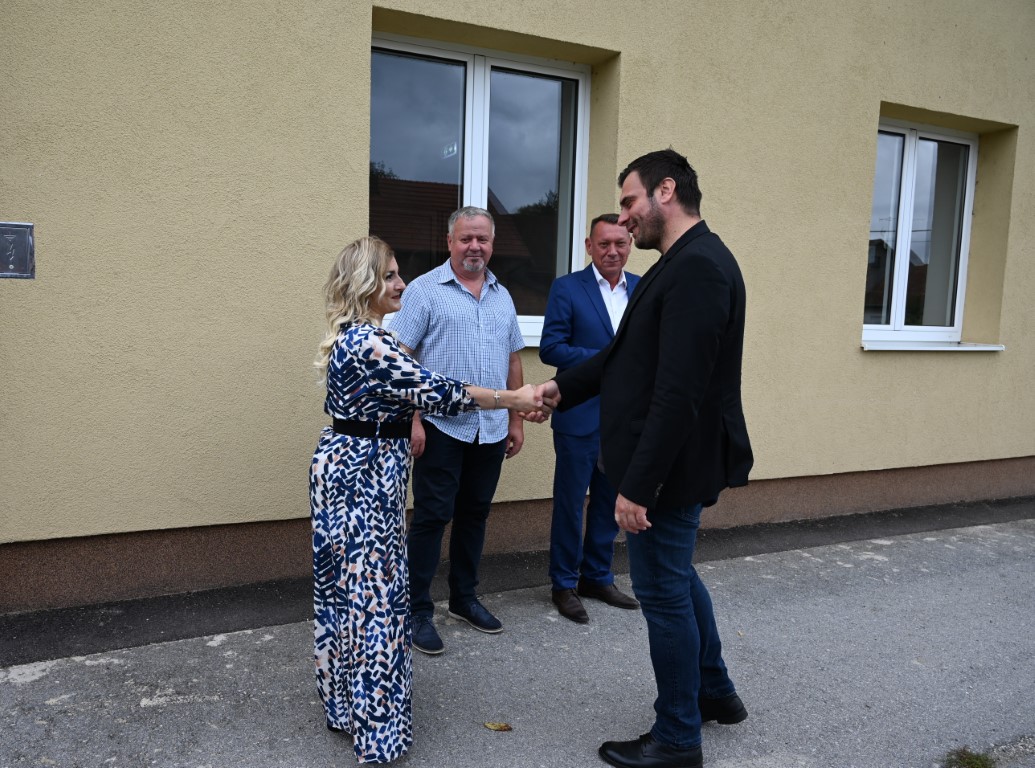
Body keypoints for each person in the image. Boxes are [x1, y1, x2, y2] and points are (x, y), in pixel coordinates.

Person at [534, 150, 754, 768]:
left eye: (629, 201)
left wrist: (638, 486)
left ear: (665, 190)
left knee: (662, 591)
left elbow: (679, 391)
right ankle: (715, 691)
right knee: (677, 576)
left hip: (671, 469)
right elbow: (624, 355)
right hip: (668, 463)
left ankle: (678, 737)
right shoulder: (677, 264)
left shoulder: (700, 268)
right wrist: (560, 388)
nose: (625, 218)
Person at [309, 235, 544, 764]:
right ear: (365, 284)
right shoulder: (369, 344)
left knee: (350, 594)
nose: (402, 284)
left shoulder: (366, 335)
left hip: (357, 469)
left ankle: (346, 707)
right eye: (391, 276)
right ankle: (378, 732)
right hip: (360, 476)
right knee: (371, 599)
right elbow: (439, 390)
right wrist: (514, 399)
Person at [387, 206, 525, 656]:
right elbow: (401, 360)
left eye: (482, 239)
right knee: (431, 518)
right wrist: (412, 419)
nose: (474, 247)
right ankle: (417, 611)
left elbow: (513, 359)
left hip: (491, 427)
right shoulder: (425, 291)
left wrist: (515, 418)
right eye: (466, 238)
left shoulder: (502, 295)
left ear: (492, 243)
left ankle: (464, 598)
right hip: (440, 427)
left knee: (475, 514)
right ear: (450, 242)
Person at [540, 214, 641, 623]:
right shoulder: (567, 288)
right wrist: (609, 360)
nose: (612, 251)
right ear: (589, 246)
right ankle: (563, 584)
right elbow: (551, 348)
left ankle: (597, 577)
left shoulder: (642, 288)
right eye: (604, 244)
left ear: (630, 244)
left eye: (620, 243)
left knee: (607, 502)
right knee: (570, 504)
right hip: (579, 415)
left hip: (624, 418)